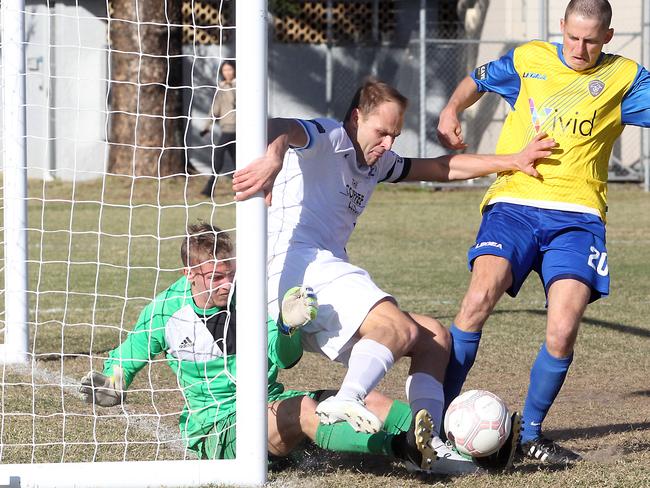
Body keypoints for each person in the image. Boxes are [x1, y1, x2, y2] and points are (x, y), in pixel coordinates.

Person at [232, 79, 554, 472]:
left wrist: (513, 160)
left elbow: (438, 166)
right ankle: (346, 400)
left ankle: (430, 445)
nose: (388, 143)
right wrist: (274, 156)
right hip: (294, 268)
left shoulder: (377, 161)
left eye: (395, 135)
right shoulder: (330, 137)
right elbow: (275, 125)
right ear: (356, 118)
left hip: (318, 285)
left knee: (433, 336)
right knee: (396, 327)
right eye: (381, 132)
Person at [436, 0, 650, 464]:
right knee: (477, 300)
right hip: (514, 203)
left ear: (607, 37)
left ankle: (529, 436)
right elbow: (477, 78)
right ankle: (435, 425)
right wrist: (451, 109)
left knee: (563, 329)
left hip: (578, 217)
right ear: (562, 28)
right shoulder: (529, 58)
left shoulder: (626, 78)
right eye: (572, 37)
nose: (579, 47)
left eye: (591, 40)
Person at [78, 223, 440, 472]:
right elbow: (127, 357)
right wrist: (112, 381)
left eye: (231, 273)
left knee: (368, 399)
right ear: (189, 274)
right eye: (216, 277)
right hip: (219, 428)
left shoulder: (251, 299)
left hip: (268, 405)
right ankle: (401, 448)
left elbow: (285, 358)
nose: (227, 284)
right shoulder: (164, 312)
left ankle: (443, 440)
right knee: (301, 409)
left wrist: (286, 327)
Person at [201, 60, 236, 197]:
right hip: (226, 129)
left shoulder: (240, 85)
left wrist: (230, 87)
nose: (227, 72)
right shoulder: (221, 87)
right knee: (219, 158)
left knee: (237, 161)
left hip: (238, 130)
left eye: (230, 69)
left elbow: (234, 102)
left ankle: (238, 188)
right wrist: (207, 126)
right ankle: (209, 189)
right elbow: (215, 108)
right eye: (225, 70)